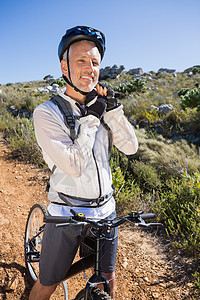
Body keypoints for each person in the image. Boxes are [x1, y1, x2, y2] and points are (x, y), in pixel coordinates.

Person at [29, 25, 138, 300]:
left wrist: (112, 111)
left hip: (105, 211)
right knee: (48, 282)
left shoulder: (102, 107)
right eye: (81, 61)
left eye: (95, 62)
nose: (90, 68)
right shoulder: (47, 113)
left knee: (107, 280)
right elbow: (74, 167)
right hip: (67, 213)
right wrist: (91, 118)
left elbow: (131, 148)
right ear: (64, 67)